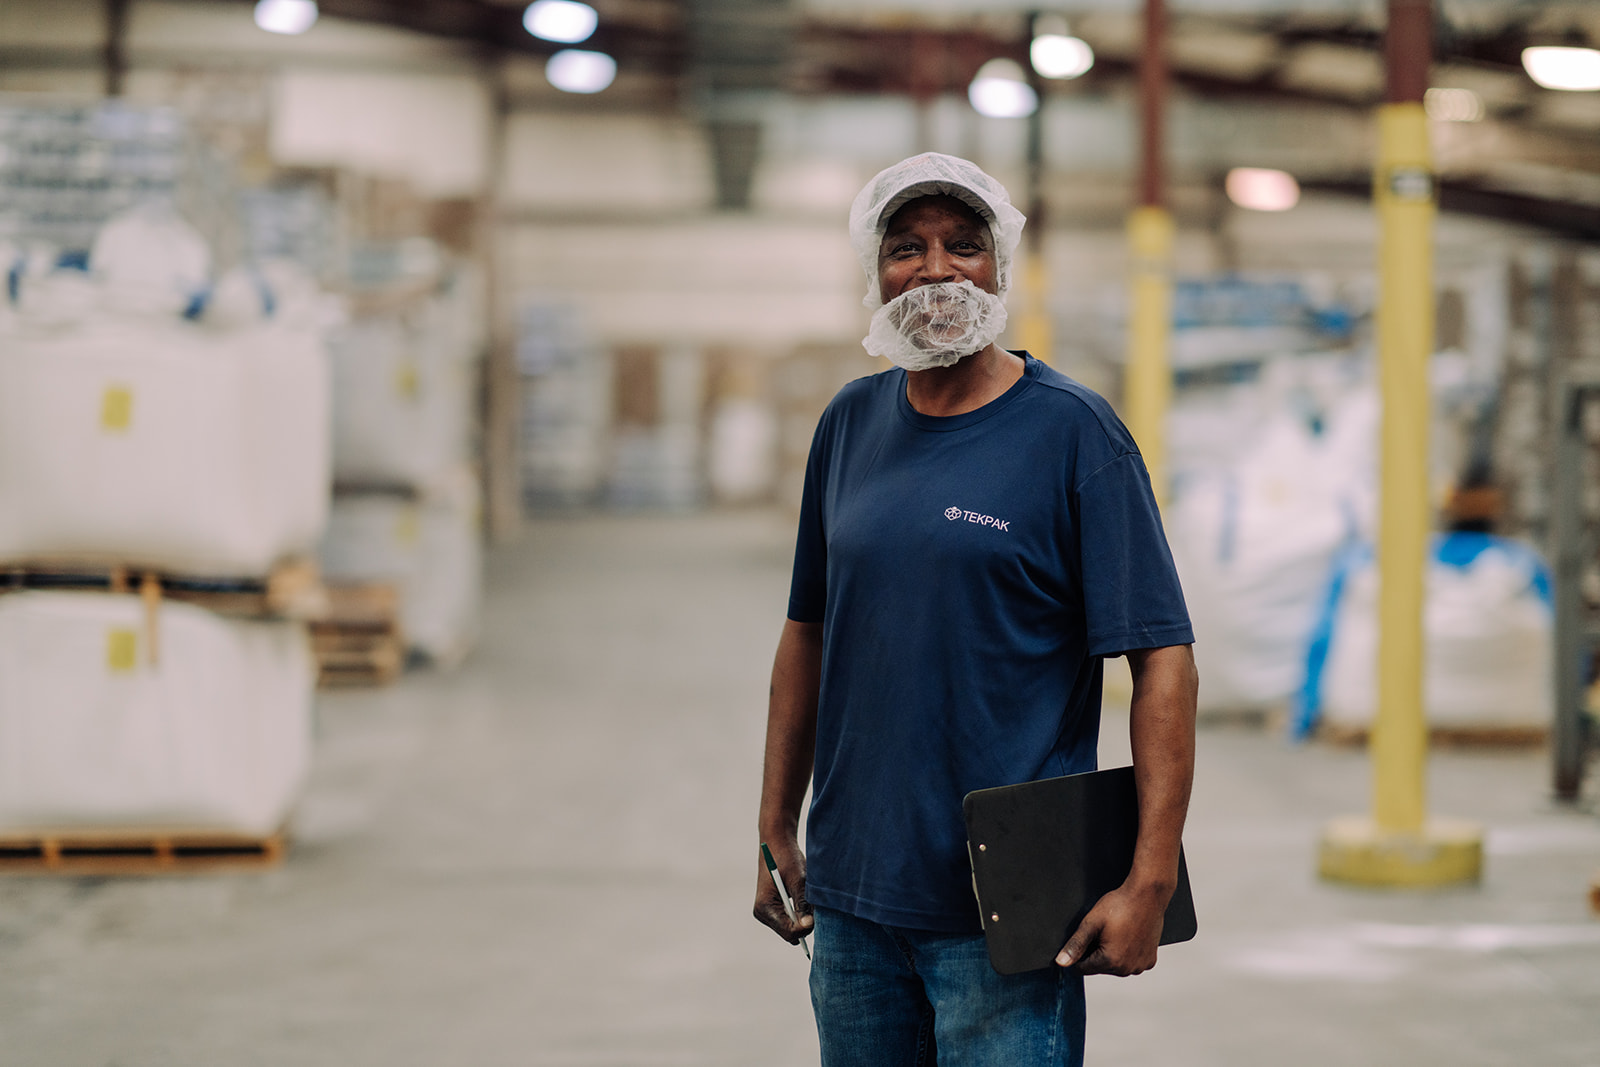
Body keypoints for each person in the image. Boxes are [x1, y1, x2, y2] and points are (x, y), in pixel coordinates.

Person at [753, 152, 1199, 1066]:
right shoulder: (849, 423)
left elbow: (1162, 657)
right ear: (874, 271)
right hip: (854, 901)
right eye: (905, 247)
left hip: (1006, 907)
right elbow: (808, 630)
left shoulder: (1074, 433)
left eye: (964, 244)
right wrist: (774, 820)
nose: (935, 268)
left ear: (1000, 264)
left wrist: (1150, 874)